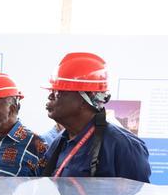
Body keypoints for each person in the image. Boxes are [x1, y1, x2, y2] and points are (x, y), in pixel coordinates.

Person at [42, 52, 151, 182]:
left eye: (57, 92)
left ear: (84, 99)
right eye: (51, 91)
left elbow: (137, 194)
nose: (50, 96)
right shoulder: (59, 142)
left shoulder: (123, 146)